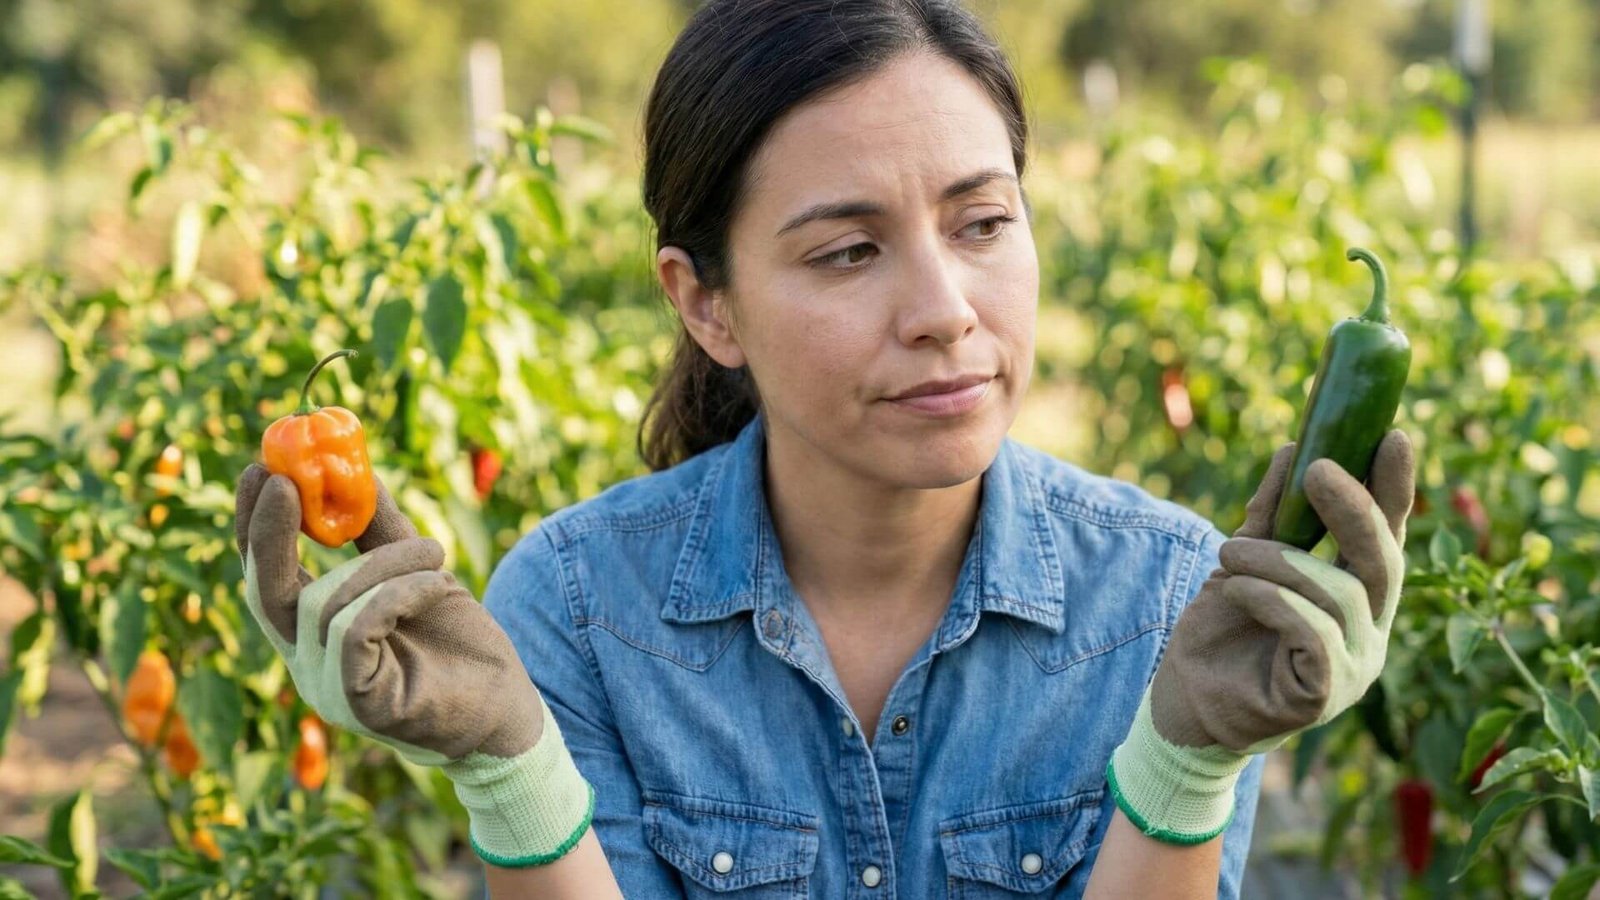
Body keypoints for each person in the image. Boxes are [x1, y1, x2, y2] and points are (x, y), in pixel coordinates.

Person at [232, 0, 1416, 896]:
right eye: (848, 250)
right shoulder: (580, 607)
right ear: (706, 305)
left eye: (983, 222)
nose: (945, 307)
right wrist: (508, 776)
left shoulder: (1163, 595)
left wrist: (1186, 765)